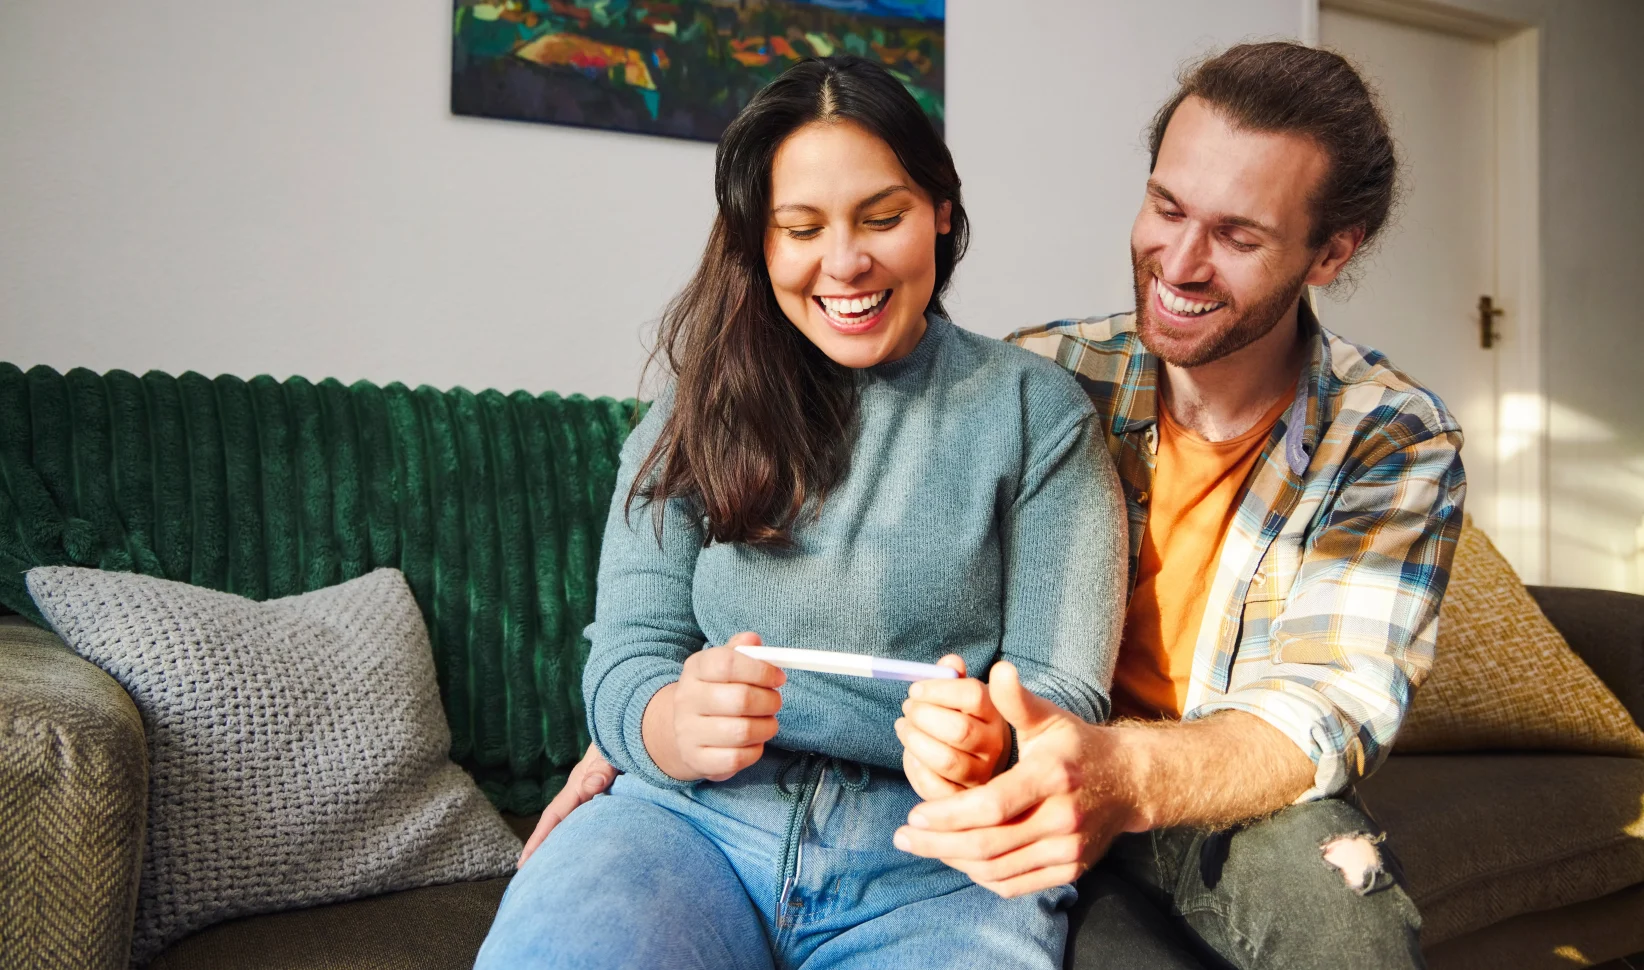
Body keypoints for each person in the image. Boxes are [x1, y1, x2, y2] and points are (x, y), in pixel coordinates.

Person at [527, 41, 1466, 969]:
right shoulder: (1067, 365)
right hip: (810, 815)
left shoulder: (1383, 437)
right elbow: (635, 650)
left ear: (1329, 252)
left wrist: (1043, 760)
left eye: (1237, 235)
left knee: (1344, 923)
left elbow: (1324, 709)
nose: (1178, 261)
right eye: (1167, 208)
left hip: (1166, 793)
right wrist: (644, 727)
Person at [477, 55, 1128, 970]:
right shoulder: (690, 411)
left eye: (884, 216)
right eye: (801, 228)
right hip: (685, 828)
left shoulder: (1034, 412)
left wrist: (994, 745)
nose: (844, 261)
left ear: (942, 210)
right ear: (760, 241)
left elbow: (1064, 697)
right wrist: (669, 723)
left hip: (940, 867)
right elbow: (627, 654)